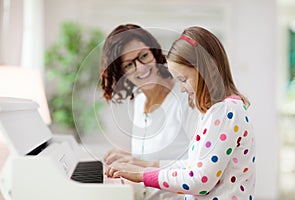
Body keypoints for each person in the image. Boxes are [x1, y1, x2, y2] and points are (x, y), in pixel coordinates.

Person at [106, 26, 256, 200]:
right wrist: (139, 166)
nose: (182, 89)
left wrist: (143, 174)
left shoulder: (225, 112)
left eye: (183, 80)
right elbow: (194, 167)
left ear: (208, 68)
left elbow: (200, 181)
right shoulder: (216, 112)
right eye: (129, 64)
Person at [100, 24, 198, 200]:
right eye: (129, 65)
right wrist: (130, 158)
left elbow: (200, 168)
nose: (141, 68)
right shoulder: (139, 101)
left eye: (144, 56)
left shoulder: (185, 99)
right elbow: (156, 158)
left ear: (154, 53)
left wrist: (144, 165)